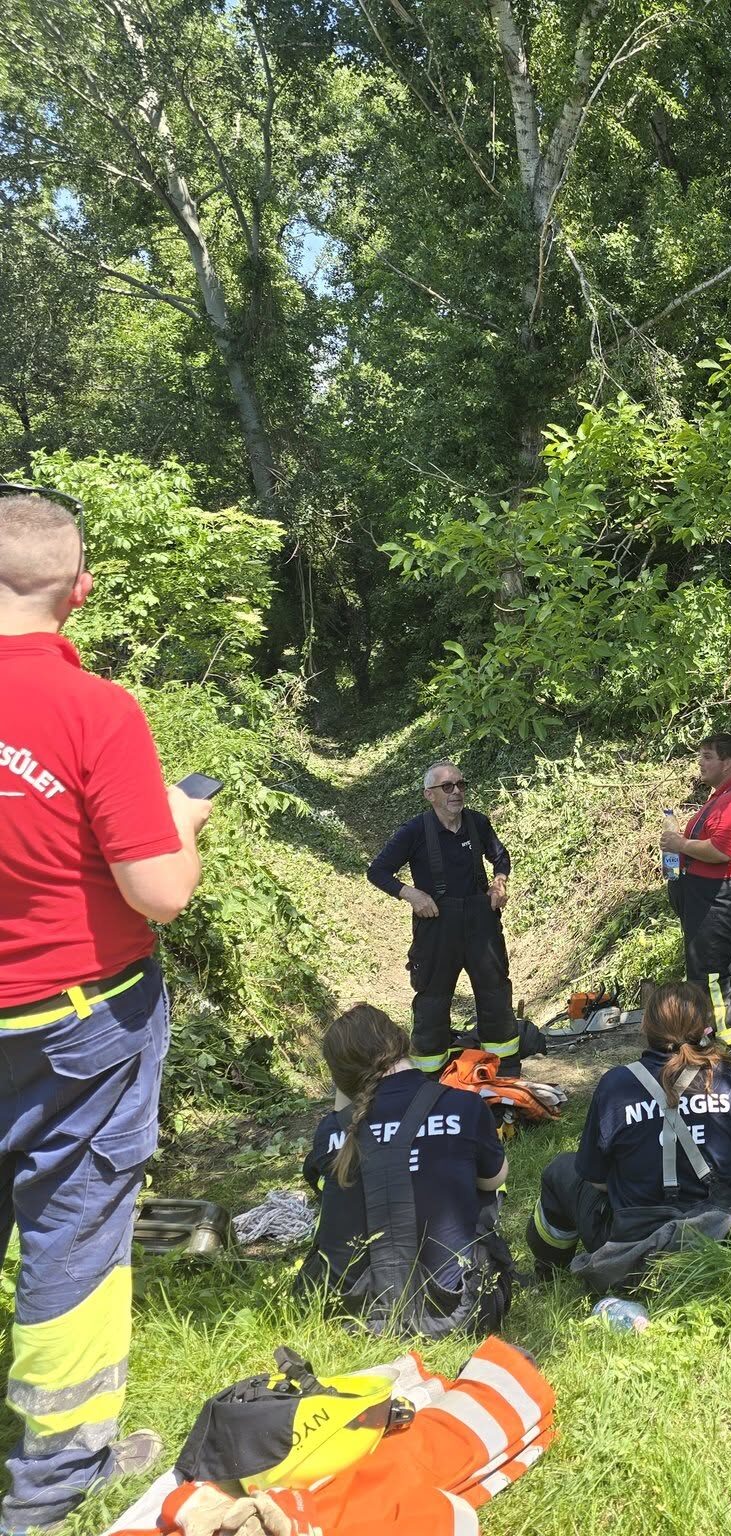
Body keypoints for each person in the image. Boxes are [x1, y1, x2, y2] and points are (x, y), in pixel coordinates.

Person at [0, 486, 213, 1533]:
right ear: (78, 592)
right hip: (79, 1025)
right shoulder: (96, 712)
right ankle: (54, 1481)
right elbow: (160, 891)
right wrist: (183, 826)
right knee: (73, 1230)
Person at [298, 1003, 512, 1336]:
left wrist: (346, 1095)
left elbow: (344, 1119)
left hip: (351, 1317)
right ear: (402, 1040)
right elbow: (495, 1178)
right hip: (456, 1313)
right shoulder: (463, 1105)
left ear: (340, 1079)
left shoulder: (332, 1130)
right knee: (477, 1182)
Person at [526, 982, 731, 1276]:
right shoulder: (724, 1077)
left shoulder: (616, 1085)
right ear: (705, 1028)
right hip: (718, 1233)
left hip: (637, 1246)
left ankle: (549, 1271)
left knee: (560, 1170)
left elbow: (595, 1179)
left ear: (645, 1026)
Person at [367, 762, 521, 1075]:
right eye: (447, 787)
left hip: (481, 925)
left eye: (461, 785)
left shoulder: (477, 823)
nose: (456, 792)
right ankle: (429, 1077)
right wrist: (412, 895)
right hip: (437, 927)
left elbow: (500, 856)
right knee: (433, 1003)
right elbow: (377, 871)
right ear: (430, 795)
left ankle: (504, 1071)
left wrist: (499, 881)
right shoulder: (414, 831)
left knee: (495, 994)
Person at [660, 733, 731, 1060]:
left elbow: (722, 850)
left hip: (716, 899)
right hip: (708, 896)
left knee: (710, 977)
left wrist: (680, 845)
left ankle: (720, 1050)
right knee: (726, 968)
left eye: (707, 757)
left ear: (728, 762)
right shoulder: (724, 796)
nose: (700, 764)